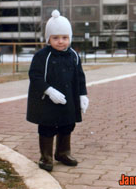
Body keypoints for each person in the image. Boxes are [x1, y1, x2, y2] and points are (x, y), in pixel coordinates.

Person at [26, 9, 89, 172]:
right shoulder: (42, 56)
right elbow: (35, 76)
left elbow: (80, 77)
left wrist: (82, 95)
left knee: (67, 125)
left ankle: (63, 152)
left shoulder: (73, 55)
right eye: (55, 38)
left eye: (64, 37)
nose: (60, 41)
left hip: (68, 99)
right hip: (47, 100)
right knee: (47, 127)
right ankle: (45, 157)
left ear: (70, 38)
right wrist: (49, 91)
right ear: (48, 39)